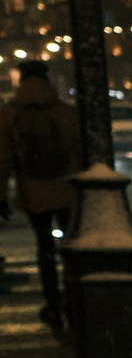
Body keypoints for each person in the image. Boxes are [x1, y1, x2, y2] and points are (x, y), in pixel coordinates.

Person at [0, 61, 86, 336]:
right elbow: (80, 150)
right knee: (70, 249)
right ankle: (73, 303)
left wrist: (2, 195)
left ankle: (52, 305)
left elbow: (3, 160)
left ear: (22, 80)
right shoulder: (66, 112)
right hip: (65, 189)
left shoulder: (9, 114)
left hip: (33, 190)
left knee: (44, 248)